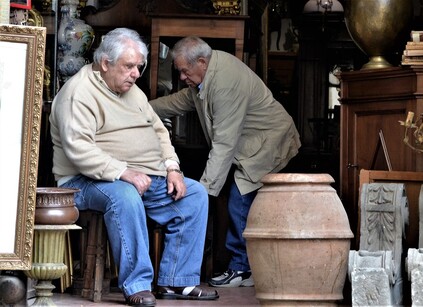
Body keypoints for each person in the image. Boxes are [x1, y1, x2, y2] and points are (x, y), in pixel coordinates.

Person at [49, 28, 219, 306]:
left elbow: (159, 131)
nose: (136, 74)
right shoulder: (78, 93)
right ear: (105, 63)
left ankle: (178, 282)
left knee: (194, 194)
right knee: (124, 195)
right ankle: (137, 283)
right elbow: (78, 149)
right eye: (129, 66)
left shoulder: (132, 92)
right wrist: (123, 172)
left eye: (138, 67)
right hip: (82, 181)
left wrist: (172, 168)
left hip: (143, 176)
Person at [149, 36, 301, 288]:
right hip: (250, 145)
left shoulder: (225, 82)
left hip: (269, 142)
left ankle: (242, 268)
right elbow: (179, 101)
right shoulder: (207, 74)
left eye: (185, 71)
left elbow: (224, 144)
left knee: (239, 201)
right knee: (237, 200)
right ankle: (245, 267)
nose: (183, 77)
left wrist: (202, 193)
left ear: (201, 62)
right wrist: (140, 108)